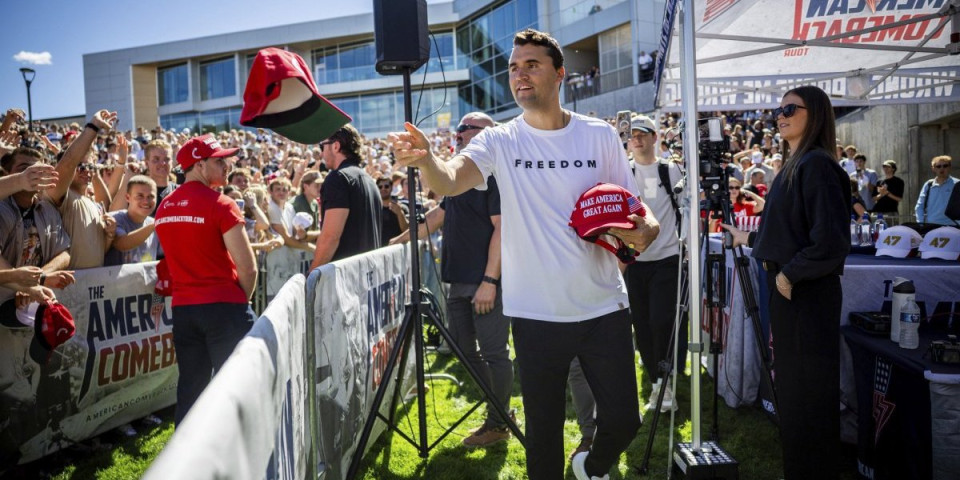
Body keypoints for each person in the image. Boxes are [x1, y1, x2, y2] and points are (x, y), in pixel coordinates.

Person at [389, 28, 658, 480]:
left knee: (625, 420)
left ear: (560, 74)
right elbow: (450, 179)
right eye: (514, 67)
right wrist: (427, 161)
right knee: (543, 438)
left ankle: (590, 466)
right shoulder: (500, 139)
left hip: (603, 307)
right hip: (536, 315)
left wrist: (647, 228)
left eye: (532, 65)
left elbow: (633, 208)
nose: (520, 75)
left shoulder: (599, 135)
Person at [722, 85, 850, 480]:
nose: (780, 116)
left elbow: (830, 242)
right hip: (791, 293)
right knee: (795, 395)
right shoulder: (798, 164)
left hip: (805, 295)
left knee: (809, 397)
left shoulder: (817, 165)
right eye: (779, 110)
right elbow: (787, 232)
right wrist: (747, 238)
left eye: (790, 109)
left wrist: (788, 275)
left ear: (816, 114)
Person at [391, 112, 516, 448]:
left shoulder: (495, 175)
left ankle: (498, 422)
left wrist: (490, 280)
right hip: (458, 280)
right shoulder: (461, 174)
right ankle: (501, 412)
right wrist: (398, 242)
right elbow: (438, 215)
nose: (458, 134)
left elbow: (502, 229)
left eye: (465, 129)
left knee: (494, 353)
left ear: (488, 134)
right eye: (458, 129)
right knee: (462, 349)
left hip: (484, 281)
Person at [154, 134, 257, 426]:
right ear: (199, 165)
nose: (227, 166)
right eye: (219, 161)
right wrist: (241, 303)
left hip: (185, 311)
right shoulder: (222, 204)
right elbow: (248, 268)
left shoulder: (164, 207)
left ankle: (185, 452)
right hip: (224, 308)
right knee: (238, 388)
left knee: (191, 389)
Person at [45, 110, 118, 269]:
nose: (86, 171)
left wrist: (109, 236)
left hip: (95, 280)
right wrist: (93, 126)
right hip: (68, 282)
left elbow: (99, 253)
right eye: (80, 166)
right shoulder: (63, 196)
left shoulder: (94, 204)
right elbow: (68, 163)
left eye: (90, 166)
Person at [310, 124, 381, 269]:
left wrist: (312, 274)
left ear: (335, 146)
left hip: (346, 275)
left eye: (322, 146)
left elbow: (330, 237)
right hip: (368, 273)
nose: (322, 153)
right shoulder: (370, 180)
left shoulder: (338, 178)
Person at [105, 176, 161, 266]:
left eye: (151, 196)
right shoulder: (114, 219)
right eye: (140, 196)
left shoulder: (155, 223)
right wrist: (155, 224)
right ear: (128, 197)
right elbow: (122, 244)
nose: (146, 201)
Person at [915, 155, 957, 226]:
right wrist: (921, 224)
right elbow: (919, 206)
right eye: (938, 166)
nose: (942, 168)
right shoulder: (928, 185)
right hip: (931, 226)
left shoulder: (957, 184)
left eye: (945, 166)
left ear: (950, 167)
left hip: (952, 226)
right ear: (933, 169)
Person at [378, 177, 408, 247]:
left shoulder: (402, 208)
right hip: (379, 249)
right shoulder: (374, 209)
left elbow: (407, 231)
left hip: (397, 248)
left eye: (386, 186)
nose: (383, 189)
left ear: (391, 188)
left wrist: (400, 213)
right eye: (380, 187)